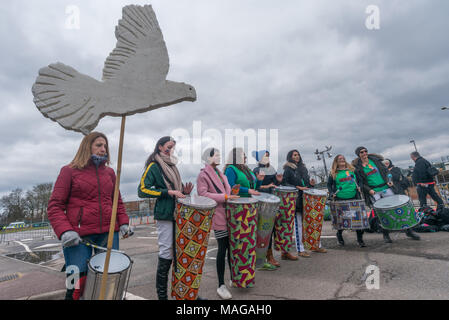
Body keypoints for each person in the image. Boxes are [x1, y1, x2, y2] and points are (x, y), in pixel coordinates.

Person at [47, 132, 132, 300]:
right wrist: (65, 231)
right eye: (99, 145)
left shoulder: (110, 173)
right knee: (75, 277)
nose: (103, 149)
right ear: (87, 147)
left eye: (105, 146)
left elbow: (117, 202)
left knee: (108, 278)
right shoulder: (68, 171)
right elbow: (54, 206)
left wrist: (123, 223)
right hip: (77, 235)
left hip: (108, 233)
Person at [138, 136, 194, 300]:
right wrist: (168, 192)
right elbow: (142, 190)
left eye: (173, 148)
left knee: (180, 253)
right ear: (160, 147)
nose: (171, 150)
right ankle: (162, 296)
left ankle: (182, 291)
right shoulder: (154, 166)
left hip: (178, 214)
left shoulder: (172, 166)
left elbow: (176, 190)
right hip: (165, 214)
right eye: (168, 147)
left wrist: (184, 192)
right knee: (166, 253)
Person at [197, 148, 239, 300]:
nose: (219, 157)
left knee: (231, 247)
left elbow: (226, 192)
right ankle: (221, 285)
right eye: (216, 155)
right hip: (218, 215)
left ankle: (233, 278)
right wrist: (225, 196)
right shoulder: (203, 174)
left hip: (230, 215)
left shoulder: (221, 174)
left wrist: (232, 192)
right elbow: (203, 195)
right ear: (208, 158)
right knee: (223, 248)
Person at [353, 146, 420, 242]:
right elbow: (360, 182)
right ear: (358, 155)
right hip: (374, 191)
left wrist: (389, 180)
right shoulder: (358, 168)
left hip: (386, 188)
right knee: (380, 213)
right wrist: (368, 190)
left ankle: (409, 231)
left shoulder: (376, 161)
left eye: (365, 151)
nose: (364, 153)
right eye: (361, 152)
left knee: (397, 208)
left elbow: (387, 172)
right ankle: (385, 234)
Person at [283, 149, 326, 258]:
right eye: (294, 155)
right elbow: (285, 184)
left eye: (298, 155)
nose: (297, 156)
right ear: (290, 157)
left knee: (313, 223)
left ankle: (316, 245)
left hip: (308, 199)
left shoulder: (303, 168)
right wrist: (297, 187)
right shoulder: (288, 169)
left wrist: (311, 184)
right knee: (299, 226)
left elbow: (306, 184)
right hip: (297, 199)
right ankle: (300, 249)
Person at [252, 150, 283, 267]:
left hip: (271, 201)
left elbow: (274, 185)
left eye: (268, 156)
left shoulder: (272, 169)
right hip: (261, 203)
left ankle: (269, 255)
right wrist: (268, 186)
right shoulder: (256, 170)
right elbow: (256, 187)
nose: (267, 158)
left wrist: (278, 181)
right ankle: (263, 257)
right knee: (262, 229)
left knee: (271, 229)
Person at [327, 154, 366, 247]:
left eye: (343, 158)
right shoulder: (333, 173)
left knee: (358, 219)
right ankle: (339, 235)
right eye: (340, 159)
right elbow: (329, 185)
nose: (342, 159)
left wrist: (359, 187)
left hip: (354, 197)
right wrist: (332, 193)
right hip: (341, 198)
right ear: (336, 161)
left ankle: (360, 240)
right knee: (342, 220)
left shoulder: (352, 170)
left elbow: (360, 181)